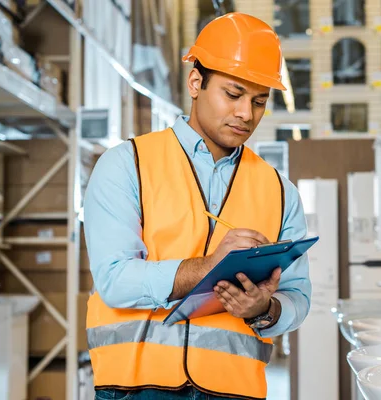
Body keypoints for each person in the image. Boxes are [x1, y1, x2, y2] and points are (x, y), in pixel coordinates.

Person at [83, 12, 312, 400]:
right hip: (135, 389)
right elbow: (115, 281)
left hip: (233, 390)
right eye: (233, 94)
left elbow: (298, 297)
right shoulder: (127, 164)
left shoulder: (279, 190)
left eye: (259, 101)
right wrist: (211, 267)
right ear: (196, 83)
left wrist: (264, 309)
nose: (246, 114)